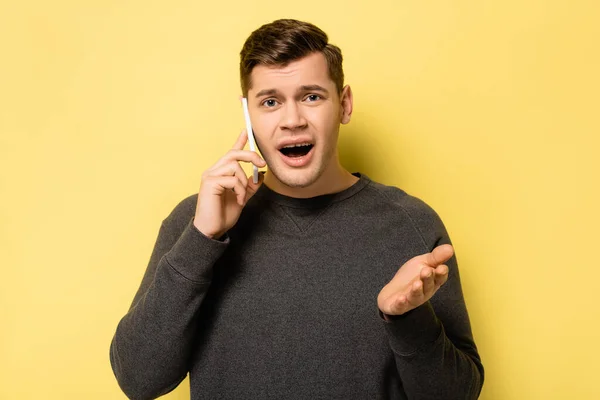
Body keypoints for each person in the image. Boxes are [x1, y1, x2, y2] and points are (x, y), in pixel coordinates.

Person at [109, 18, 484, 400]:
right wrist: (202, 239)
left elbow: (459, 394)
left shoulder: (412, 226)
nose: (292, 121)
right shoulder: (198, 222)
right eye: (270, 102)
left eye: (311, 96)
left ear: (345, 104)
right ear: (247, 115)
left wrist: (408, 318)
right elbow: (139, 380)